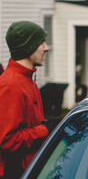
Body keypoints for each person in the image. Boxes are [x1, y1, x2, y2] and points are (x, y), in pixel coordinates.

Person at [0, 21, 56, 179]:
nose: (46, 47)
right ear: (28, 47)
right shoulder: (10, 85)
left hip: (30, 168)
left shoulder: (27, 79)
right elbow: (7, 140)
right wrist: (45, 130)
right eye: (41, 42)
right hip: (16, 172)